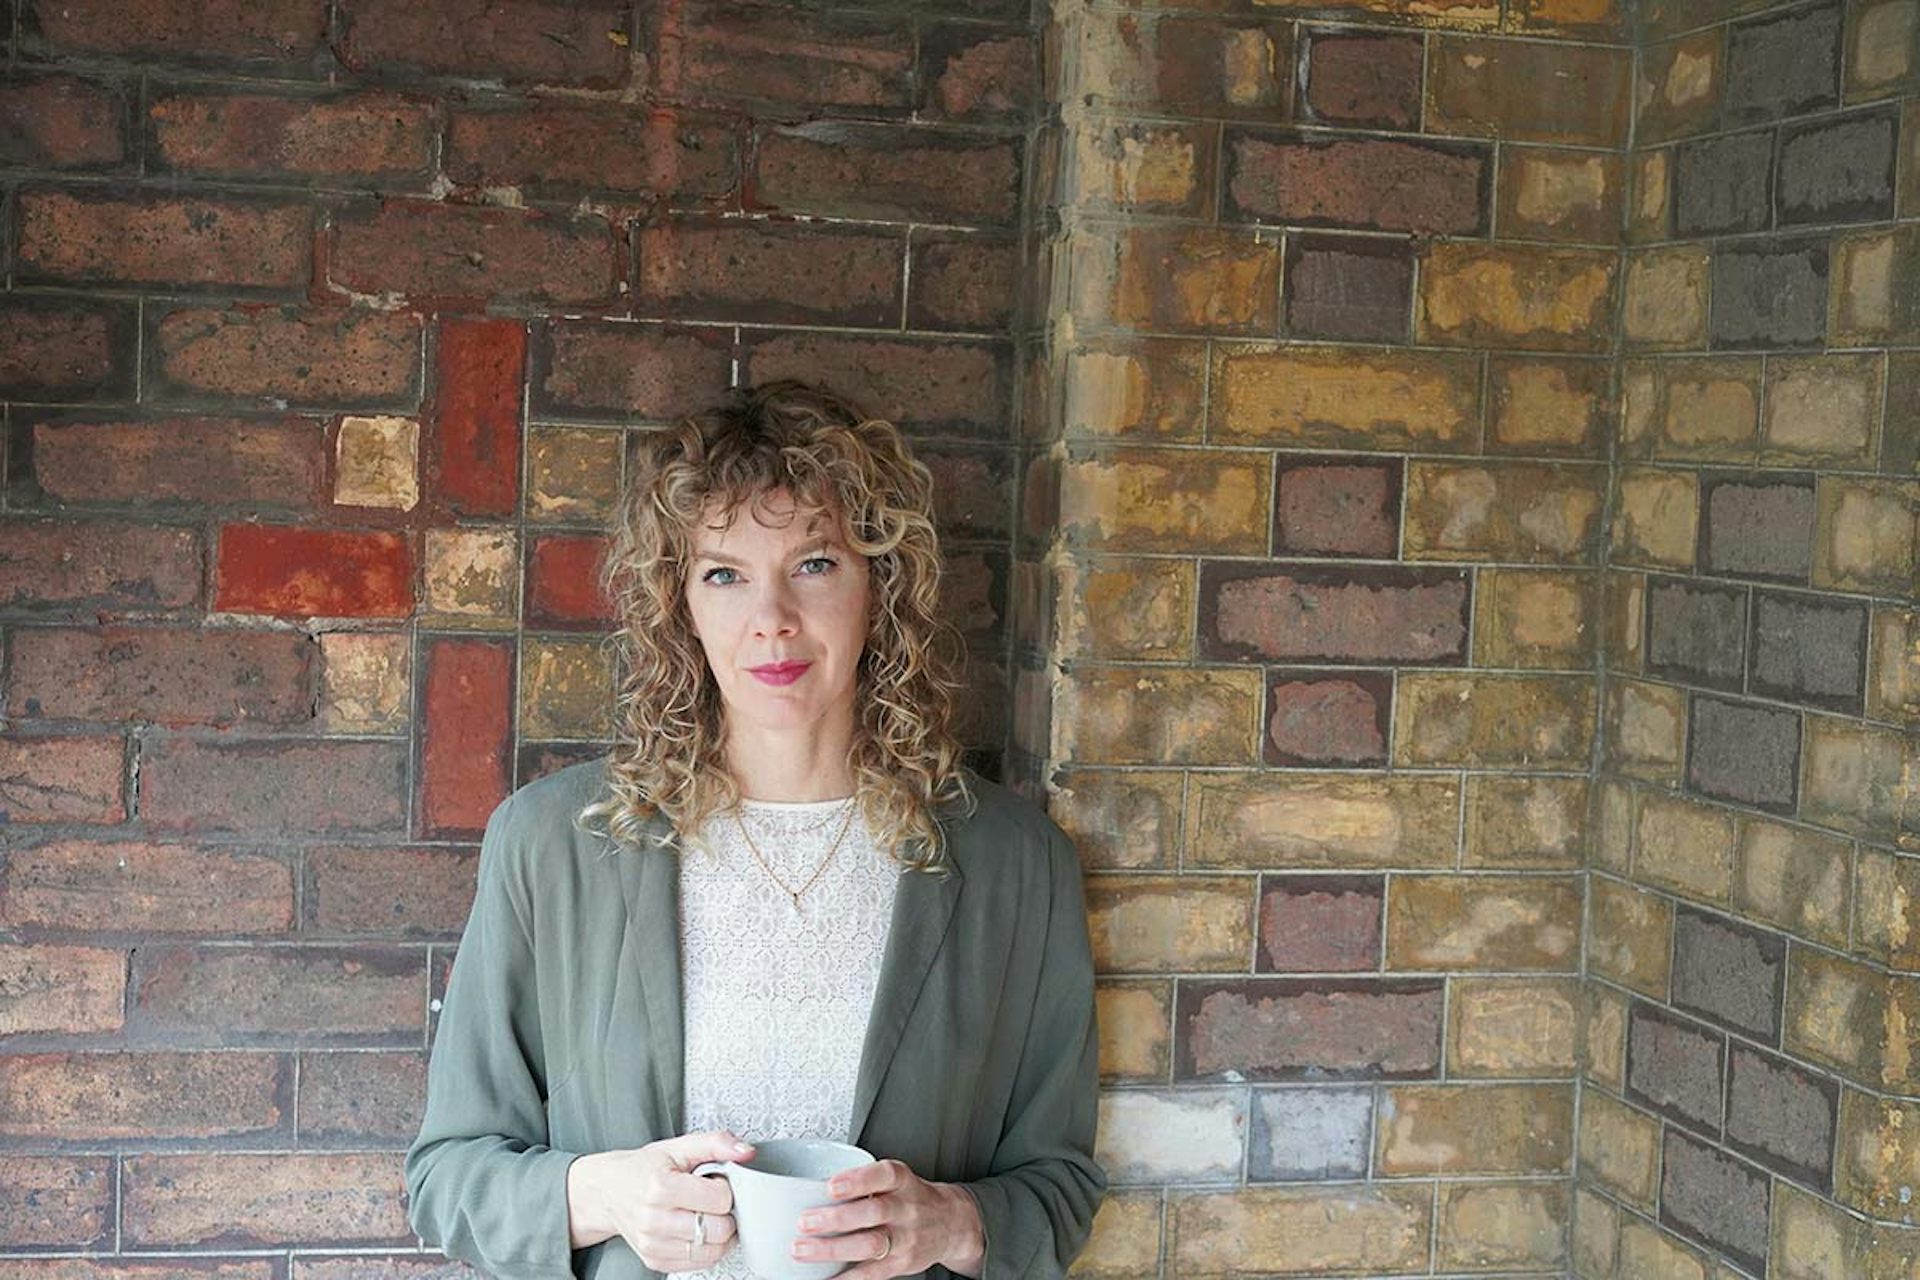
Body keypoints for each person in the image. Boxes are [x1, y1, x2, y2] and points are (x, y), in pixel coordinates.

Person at [403, 381, 1106, 1280]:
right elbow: (449, 1174)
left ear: (878, 584)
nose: (771, 618)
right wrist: (606, 1196)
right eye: (723, 574)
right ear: (680, 606)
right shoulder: (552, 844)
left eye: (813, 564)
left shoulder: (1016, 862)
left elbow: (1062, 1185)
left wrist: (955, 1222)